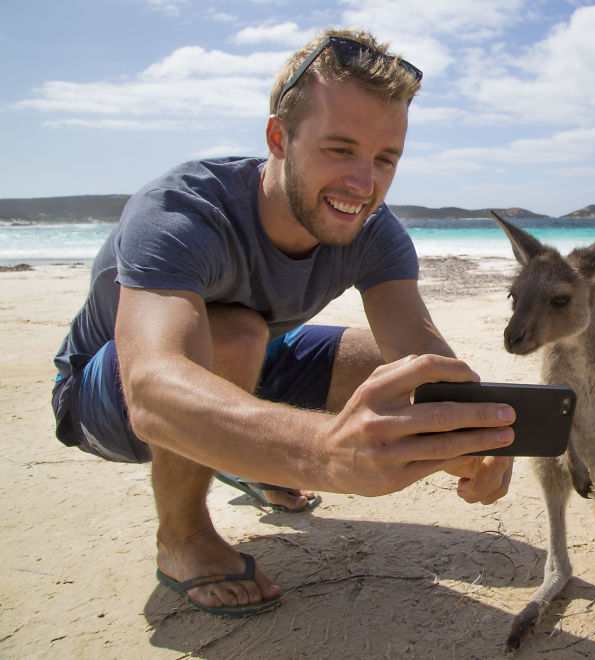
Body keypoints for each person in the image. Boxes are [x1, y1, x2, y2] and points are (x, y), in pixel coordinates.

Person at [51, 28, 515, 617]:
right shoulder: (182, 210)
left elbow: (415, 349)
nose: (363, 185)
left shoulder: (375, 231)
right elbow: (150, 390)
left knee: (394, 372)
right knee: (236, 333)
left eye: (385, 159)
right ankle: (184, 537)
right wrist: (324, 453)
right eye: (340, 149)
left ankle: (245, 458)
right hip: (102, 397)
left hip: (245, 365)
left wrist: (474, 430)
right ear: (279, 137)